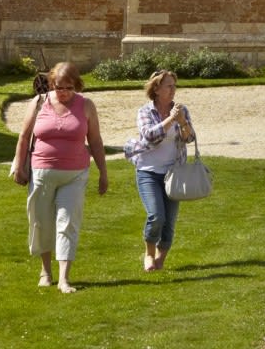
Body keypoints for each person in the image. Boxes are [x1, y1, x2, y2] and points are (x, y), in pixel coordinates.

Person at [10, 60, 108, 292]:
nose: (63, 92)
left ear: (77, 86)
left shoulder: (86, 106)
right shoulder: (39, 103)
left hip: (75, 174)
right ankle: (45, 270)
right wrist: (18, 165)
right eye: (58, 87)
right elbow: (24, 137)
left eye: (68, 88)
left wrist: (103, 172)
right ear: (51, 84)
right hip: (41, 172)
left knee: (68, 223)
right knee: (42, 222)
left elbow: (95, 140)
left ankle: (64, 278)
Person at [125, 69, 194, 272]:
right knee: (156, 216)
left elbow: (190, 138)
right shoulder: (145, 111)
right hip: (148, 171)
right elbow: (149, 136)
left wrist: (182, 123)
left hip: (174, 173)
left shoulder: (182, 110)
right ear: (156, 89)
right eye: (169, 86)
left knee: (169, 222)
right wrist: (171, 120)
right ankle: (148, 253)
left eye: (174, 86)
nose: (173, 90)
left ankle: (160, 260)